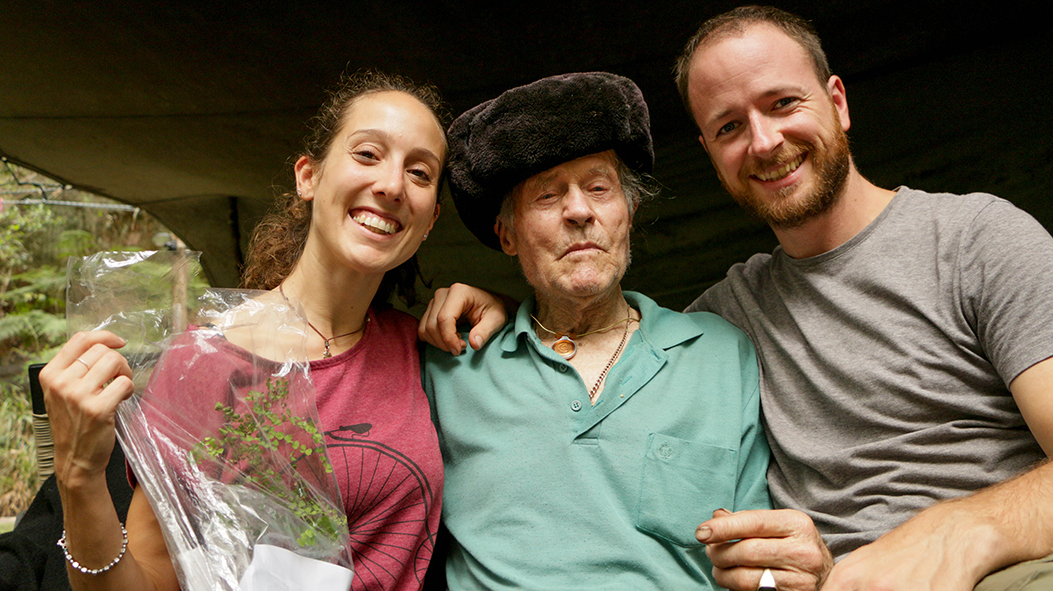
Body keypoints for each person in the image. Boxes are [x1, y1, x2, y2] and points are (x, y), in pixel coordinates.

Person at [672, 6, 1053, 591]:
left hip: (1010, 570)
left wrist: (962, 530)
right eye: (729, 127)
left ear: (838, 103)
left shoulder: (977, 239)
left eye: (783, 103)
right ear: (711, 155)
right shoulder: (720, 323)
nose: (764, 142)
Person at [38, 70, 447, 591]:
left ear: (430, 220)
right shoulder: (203, 363)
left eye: (419, 172)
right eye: (367, 154)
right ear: (308, 177)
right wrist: (78, 477)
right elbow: (144, 581)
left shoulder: (424, 347)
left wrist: (500, 307)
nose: (391, 185)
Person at [422, 71, 771, 591]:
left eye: (599, 188)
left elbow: (757, 562)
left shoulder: (720, 354)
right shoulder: (448, 366)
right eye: (547, 196)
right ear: (507, 235)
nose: (579, 211)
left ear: (630, 211)